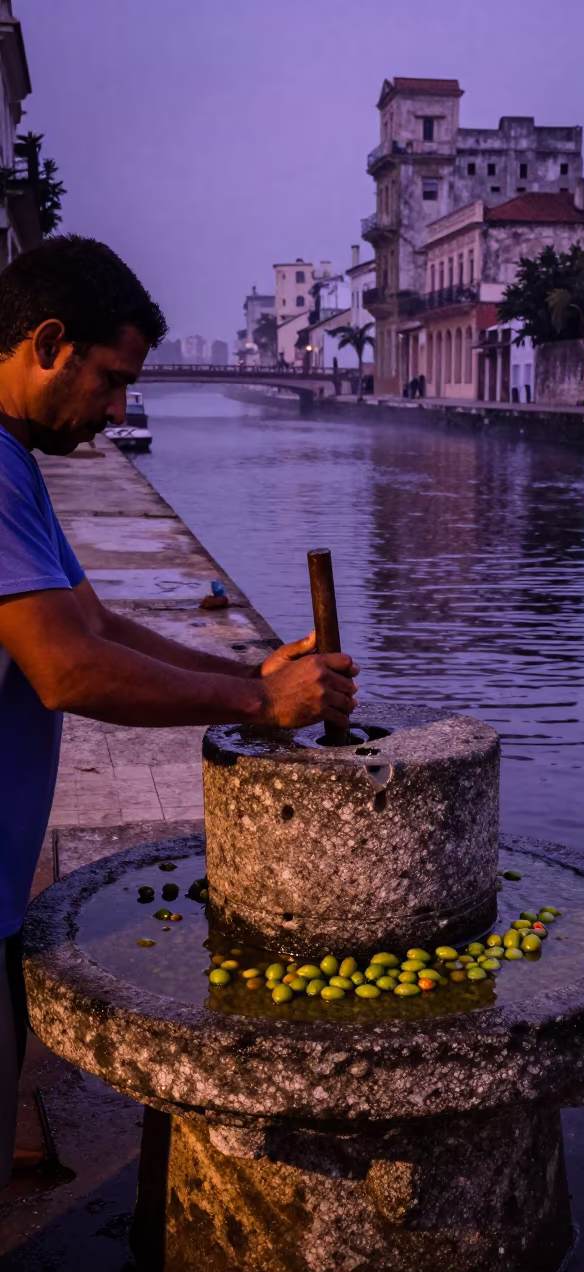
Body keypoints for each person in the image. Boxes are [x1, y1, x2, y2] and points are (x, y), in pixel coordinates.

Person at [0, 235, 359, 1186]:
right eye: (111, 381)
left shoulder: (16, 461)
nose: (119, 413)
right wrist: (259, 701)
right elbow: (67, 670)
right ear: (46, 342)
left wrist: (255, 670)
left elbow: (95, 619)